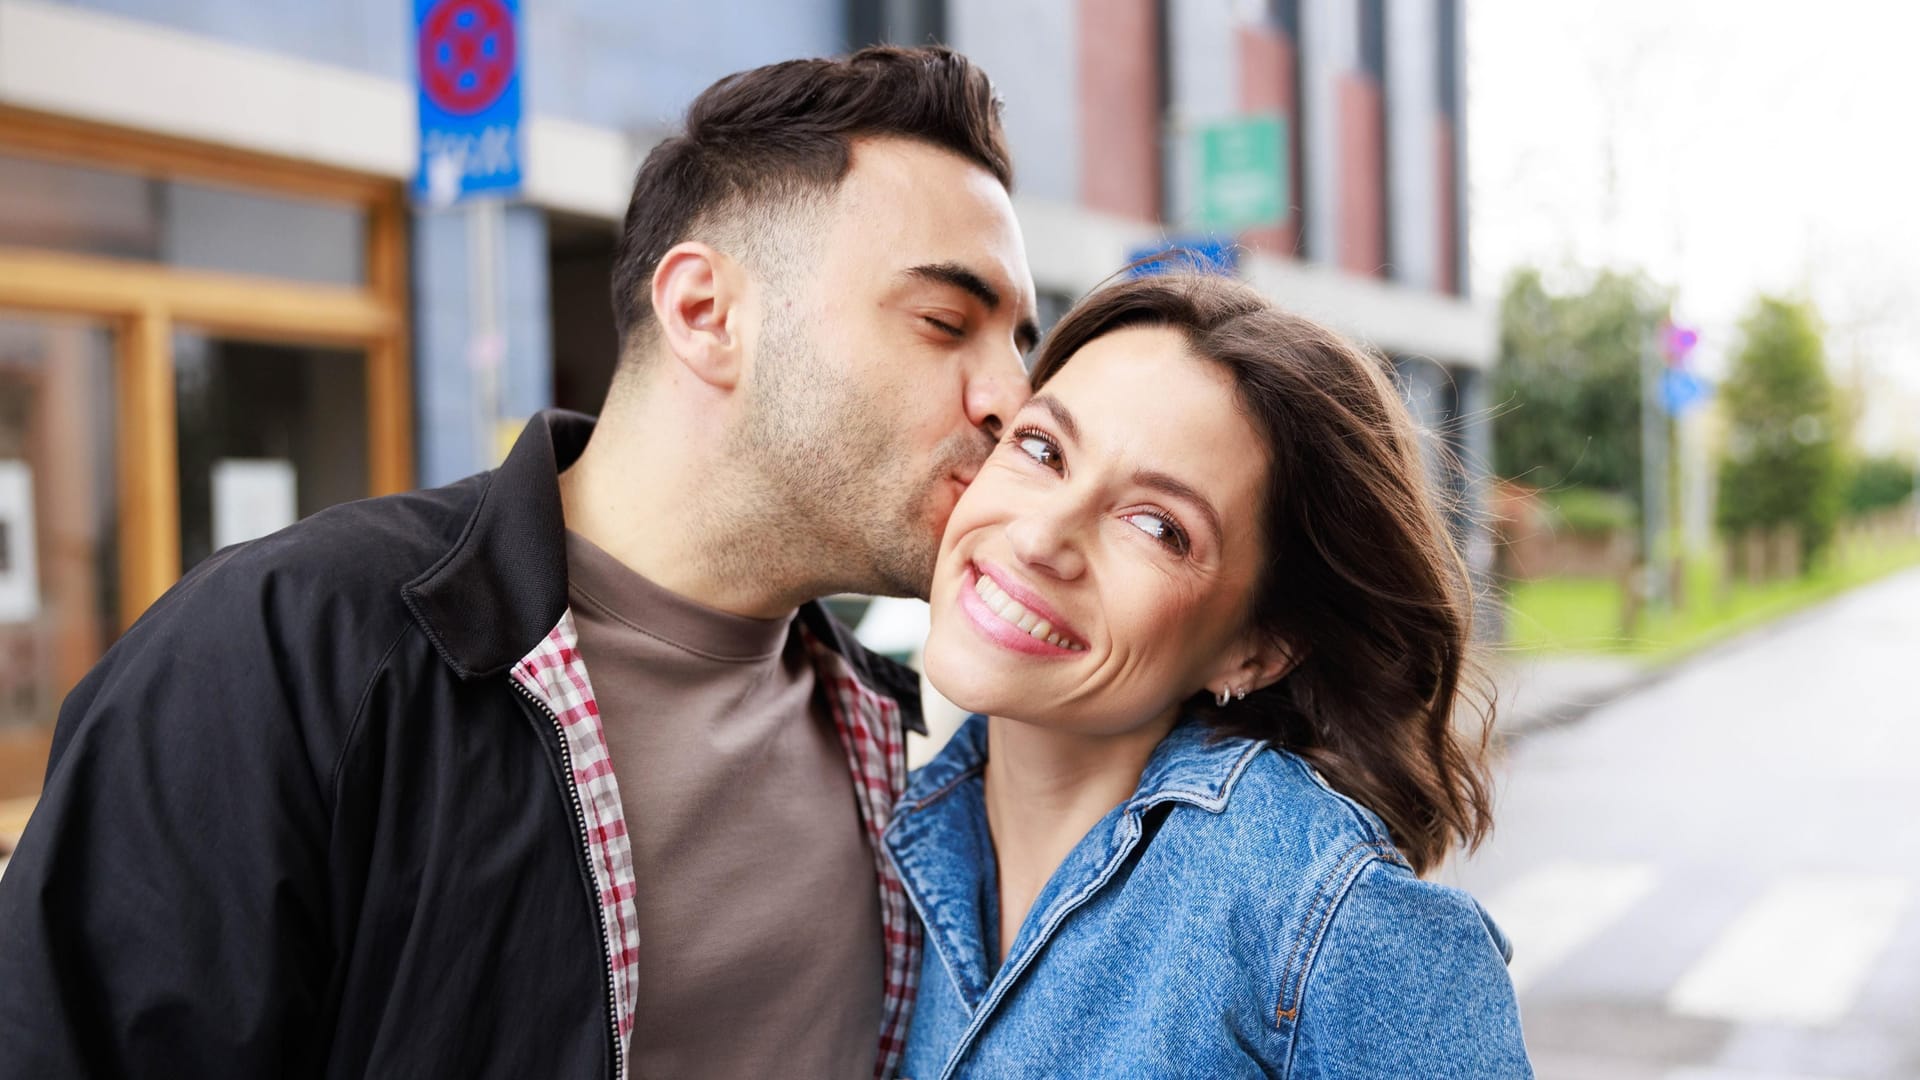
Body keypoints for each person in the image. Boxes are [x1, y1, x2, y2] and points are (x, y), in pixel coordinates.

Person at [0, 46, 1037, 1080]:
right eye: (947, 323)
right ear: (705, 314)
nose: (1011, 398)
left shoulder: (892, 738)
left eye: (1020, 342)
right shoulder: (283, 654)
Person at [887, 274, 1534, 1078]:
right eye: (1042, 448)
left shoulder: (1327, 920)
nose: (1040, 537)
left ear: (1257, 649)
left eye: (1159, 527)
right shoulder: (874, 826)